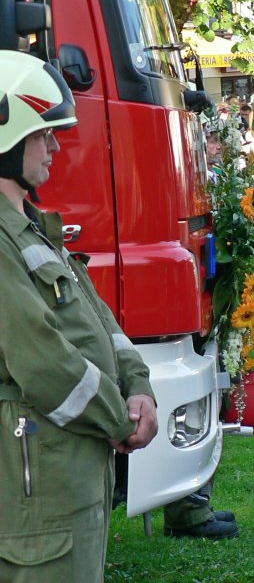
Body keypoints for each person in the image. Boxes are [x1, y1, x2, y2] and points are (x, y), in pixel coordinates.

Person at [0, 52, 159, 580]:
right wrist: (120, 420)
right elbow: (39, 356)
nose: (55, 145)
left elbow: (98, 321)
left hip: (64, 473)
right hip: (37, 484)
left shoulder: (32, 224)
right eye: (42, 133)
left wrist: (138, 385)